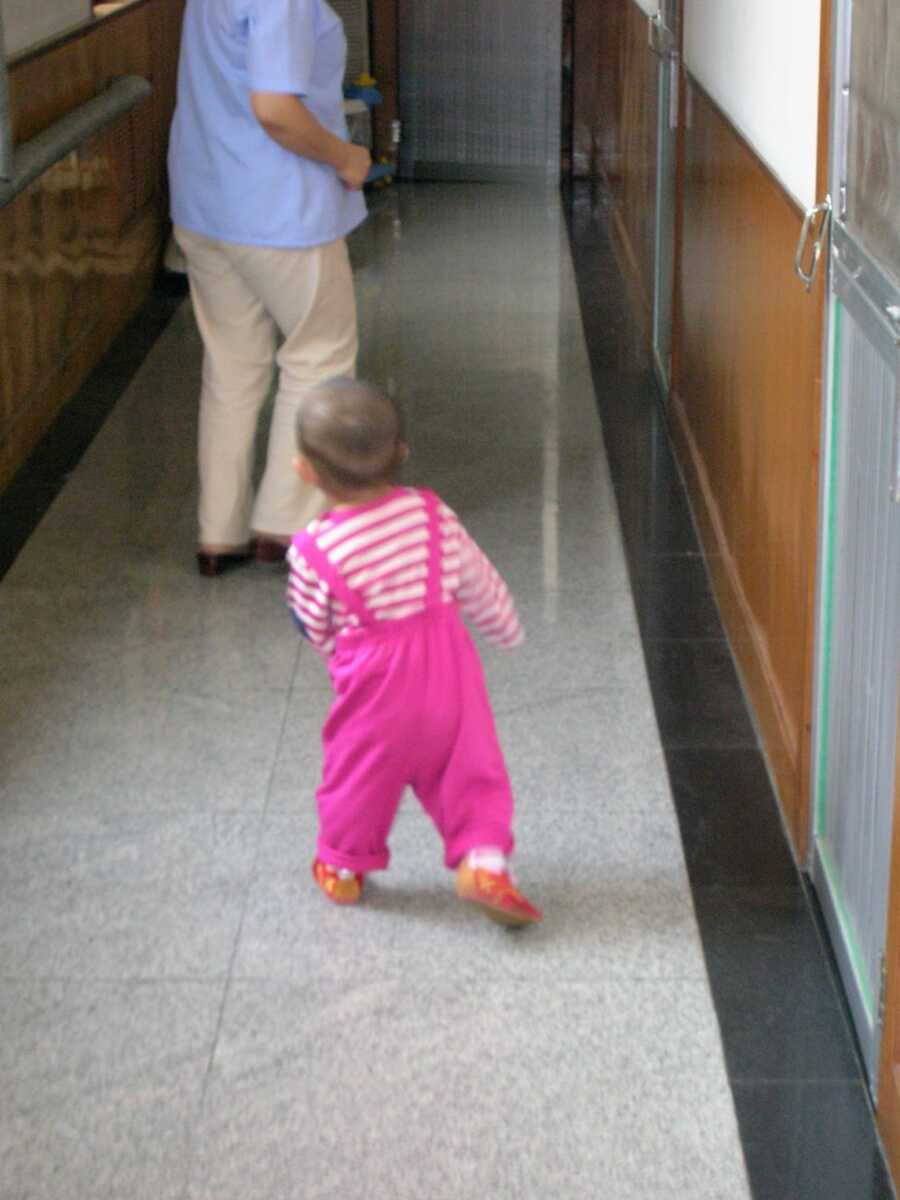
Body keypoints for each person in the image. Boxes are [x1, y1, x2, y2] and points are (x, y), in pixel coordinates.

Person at [285, 378, 543, 927]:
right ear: (401, 453)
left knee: (357, 774)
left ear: (306, 470)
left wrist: (338, 658)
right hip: (449, 672)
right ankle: (485, 861)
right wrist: (506, 628)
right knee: (471, 766)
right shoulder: (431, 515)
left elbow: (315, 623)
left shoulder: (314, 550)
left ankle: (344, 866)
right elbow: (477, 581)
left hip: (374, 684)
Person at [167, 0, 371, 577]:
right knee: (318, 354)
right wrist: (346, 156)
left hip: (206, 200)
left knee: (232, 366)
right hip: (278, 210)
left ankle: (218, 533)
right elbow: (275, 109)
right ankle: (286, 524)